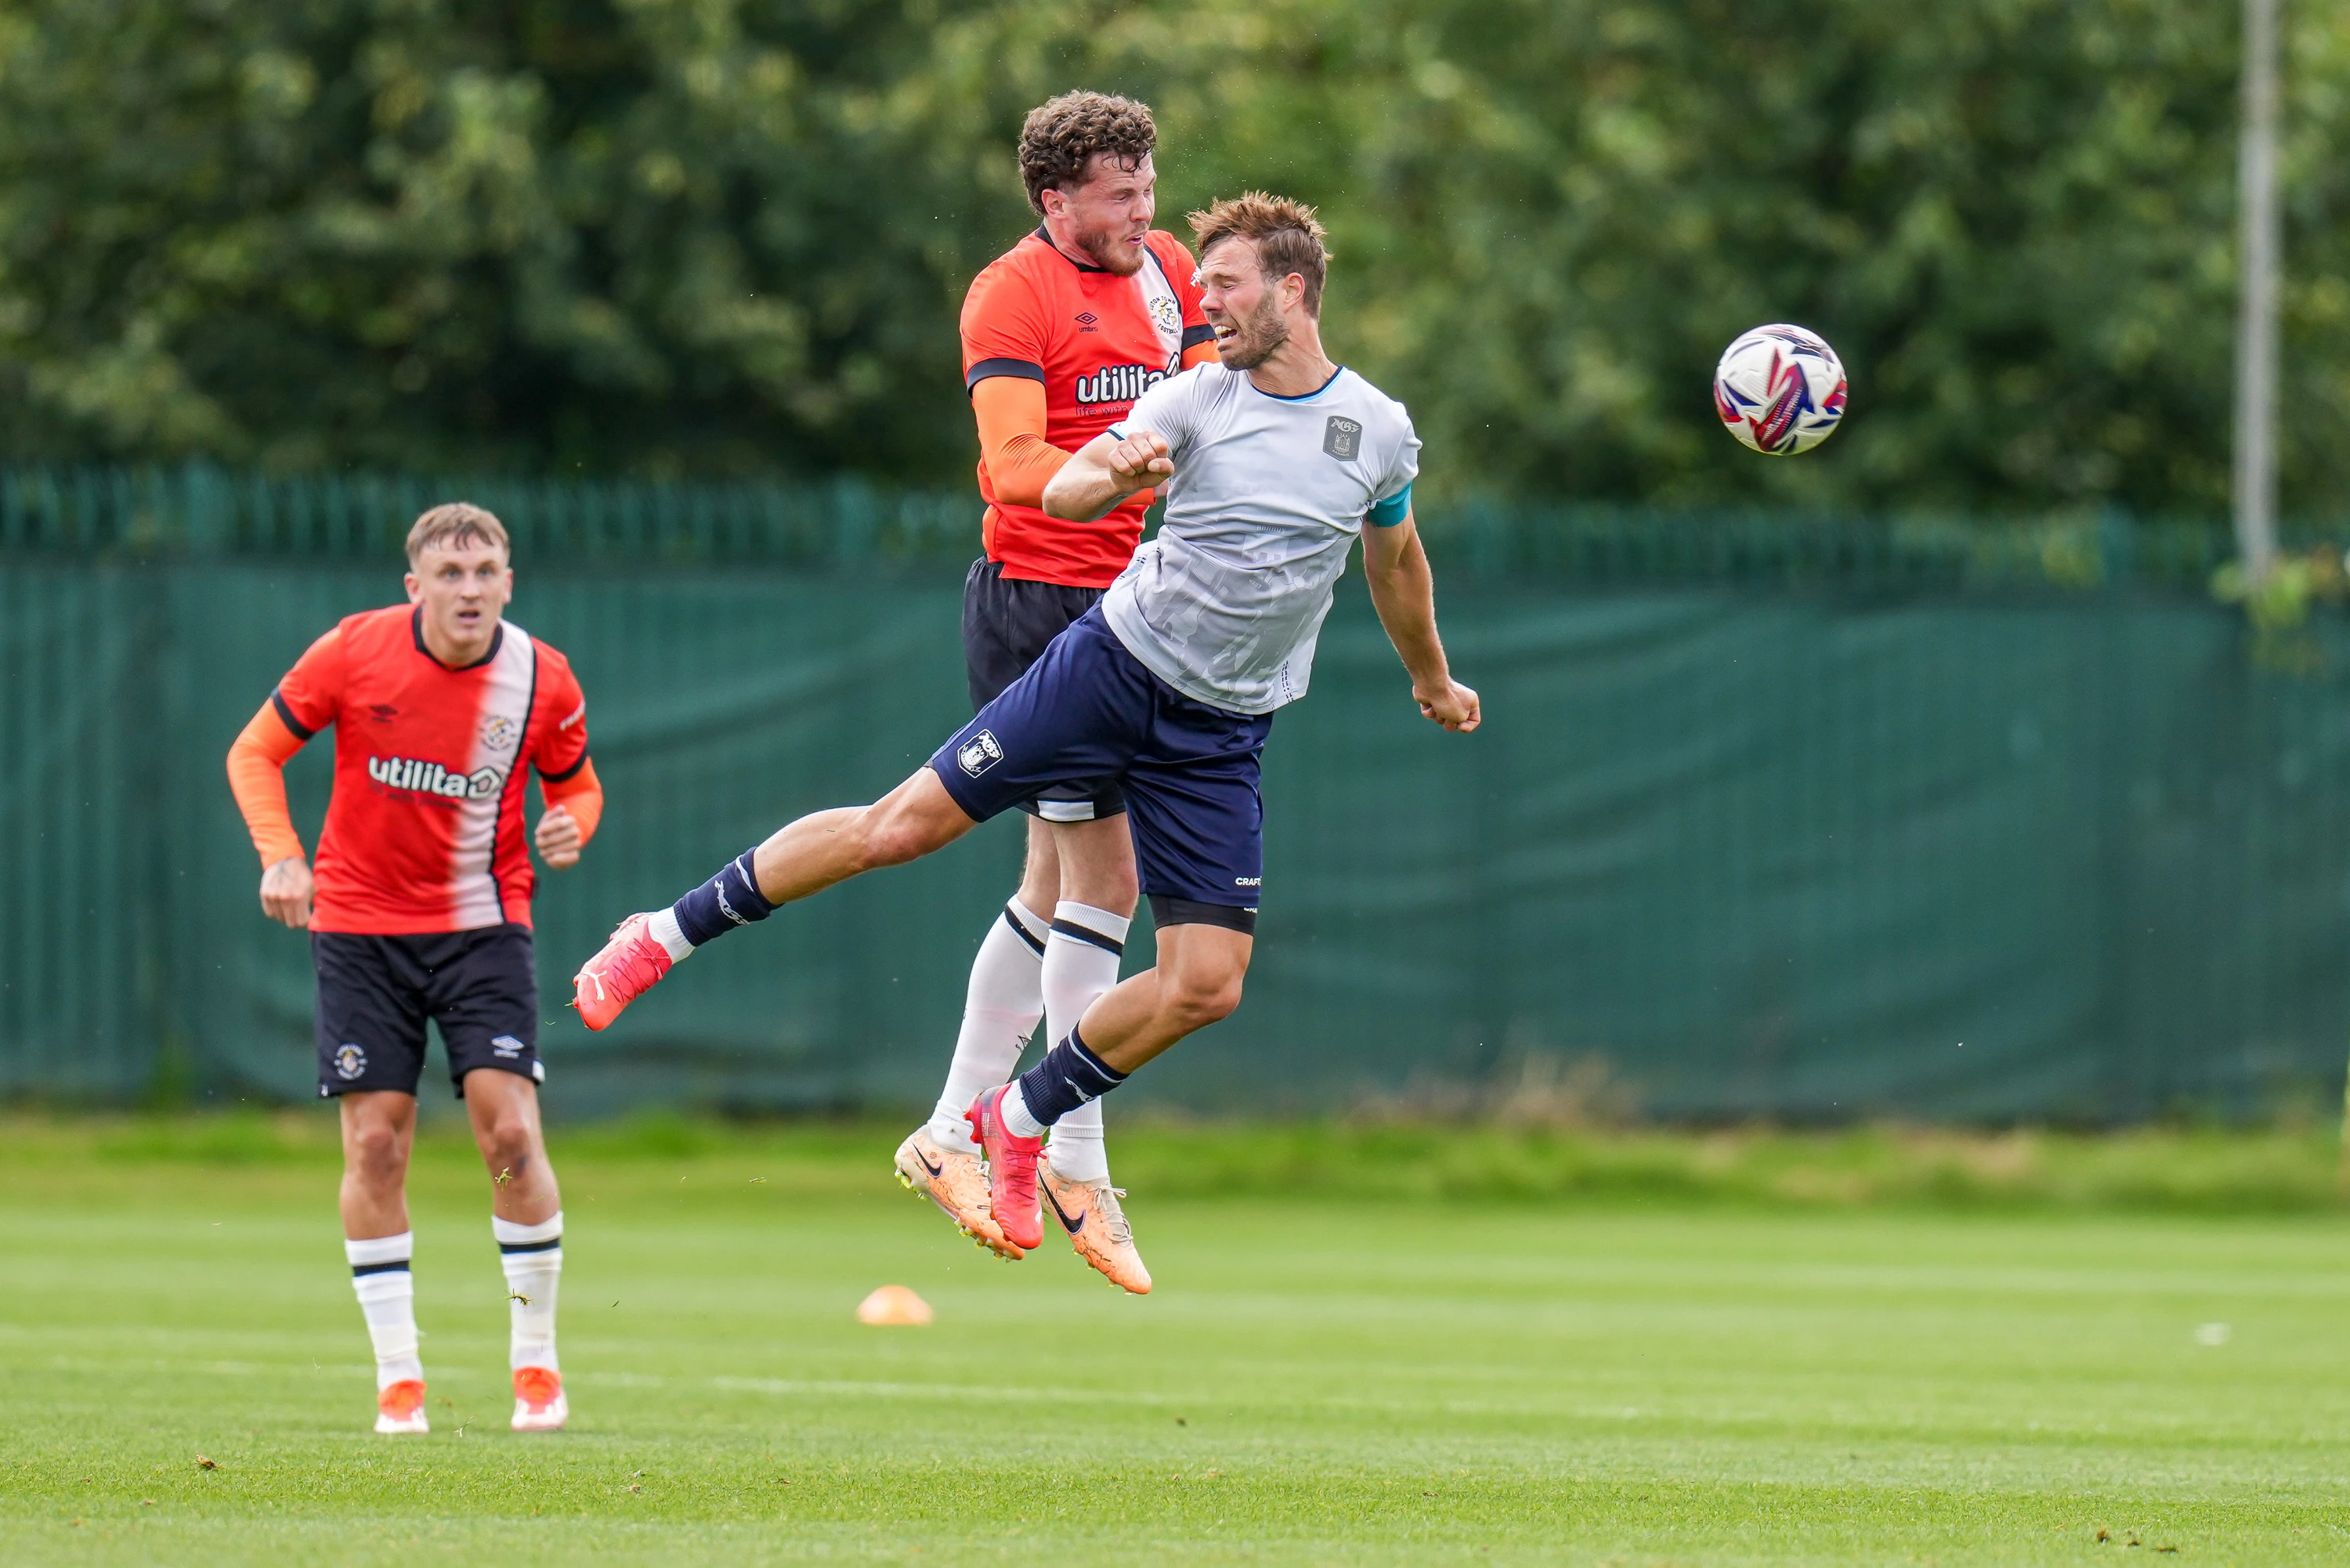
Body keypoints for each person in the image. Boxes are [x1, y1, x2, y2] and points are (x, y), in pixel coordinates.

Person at [571, 191, 1477, 1272]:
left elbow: (1396, 560)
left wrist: (1434, 677)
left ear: (1292, 290)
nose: (1206, 301)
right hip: (1107, 671)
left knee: (1207, 984)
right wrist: (1110, 473)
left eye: (1226, 285)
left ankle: (1022, 1114)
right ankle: (664, 931)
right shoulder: (1195, 397)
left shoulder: (1375, 428)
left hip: (1222, 732)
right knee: (902, 828)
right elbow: (1085, 482)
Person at [896, 89, 1219, 1293]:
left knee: (1055, 879)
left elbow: (1210, 403)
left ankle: (950, 1129)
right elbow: (1013, 461)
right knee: (1108, 877)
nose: (1144, 211)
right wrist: (1121, 465)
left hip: (1142, 607)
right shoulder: (1011, 291)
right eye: (1118, 194)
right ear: (1055, 201)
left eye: (1148, 186)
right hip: (1041, 604)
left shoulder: (1171, 268)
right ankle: (1068, 1148)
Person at [225, 504, 601, 1436]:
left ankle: (536, 1364)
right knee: (376, 1143)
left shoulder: (541, 677)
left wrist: (572, 827)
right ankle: (399, 1376)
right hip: (358, 929)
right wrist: (280, 853)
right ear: (415, 586)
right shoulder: (354, 652)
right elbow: (256, 750)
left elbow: (579, 786)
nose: (468, 590)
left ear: (508, 583)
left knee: (508, 1130)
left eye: (485, 573)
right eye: (450, 574)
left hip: (483, 926)